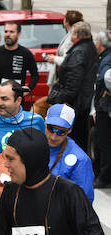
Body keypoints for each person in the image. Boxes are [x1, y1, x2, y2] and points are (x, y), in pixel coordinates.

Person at [47, 22, 98, 151]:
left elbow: (73, 81)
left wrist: (66, 100)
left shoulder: (79, 51)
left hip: (77, 103)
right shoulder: (89, 47)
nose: (70, 35)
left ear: (76, 35)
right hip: (84, 99)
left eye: (72, 32)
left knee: (74, 137)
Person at [0, 22, 39, 114]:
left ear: (19, 34)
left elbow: (35, 75)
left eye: (11, 32)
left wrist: (28, 88)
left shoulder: (25, 53)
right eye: (6, 31)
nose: (8, 34)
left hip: (16, 99)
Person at [45, 104, 94, 202]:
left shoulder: (81, 160)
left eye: (61, 132)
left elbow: (83, 203)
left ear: (70, 130)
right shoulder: (34, 145)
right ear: (45, 123)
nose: (54, 137)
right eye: (51, 129)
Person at [94, 30, 111, 188]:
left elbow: (107, 77)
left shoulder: (106, 60)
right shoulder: (104, 57)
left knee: (104, 143)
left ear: (100, 43)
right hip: (102, 108)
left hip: (105, 109)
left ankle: (104, 178)